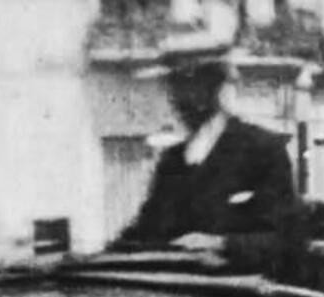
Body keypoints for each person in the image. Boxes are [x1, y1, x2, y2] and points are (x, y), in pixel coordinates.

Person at [113, 38, 301, 279]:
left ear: (214, 85)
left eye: (189, 84)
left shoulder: (262, 150)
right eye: (174, 85)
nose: (179, 98)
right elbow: (145, 232)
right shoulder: (172, 162)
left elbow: (287, 241)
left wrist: (220, 244)